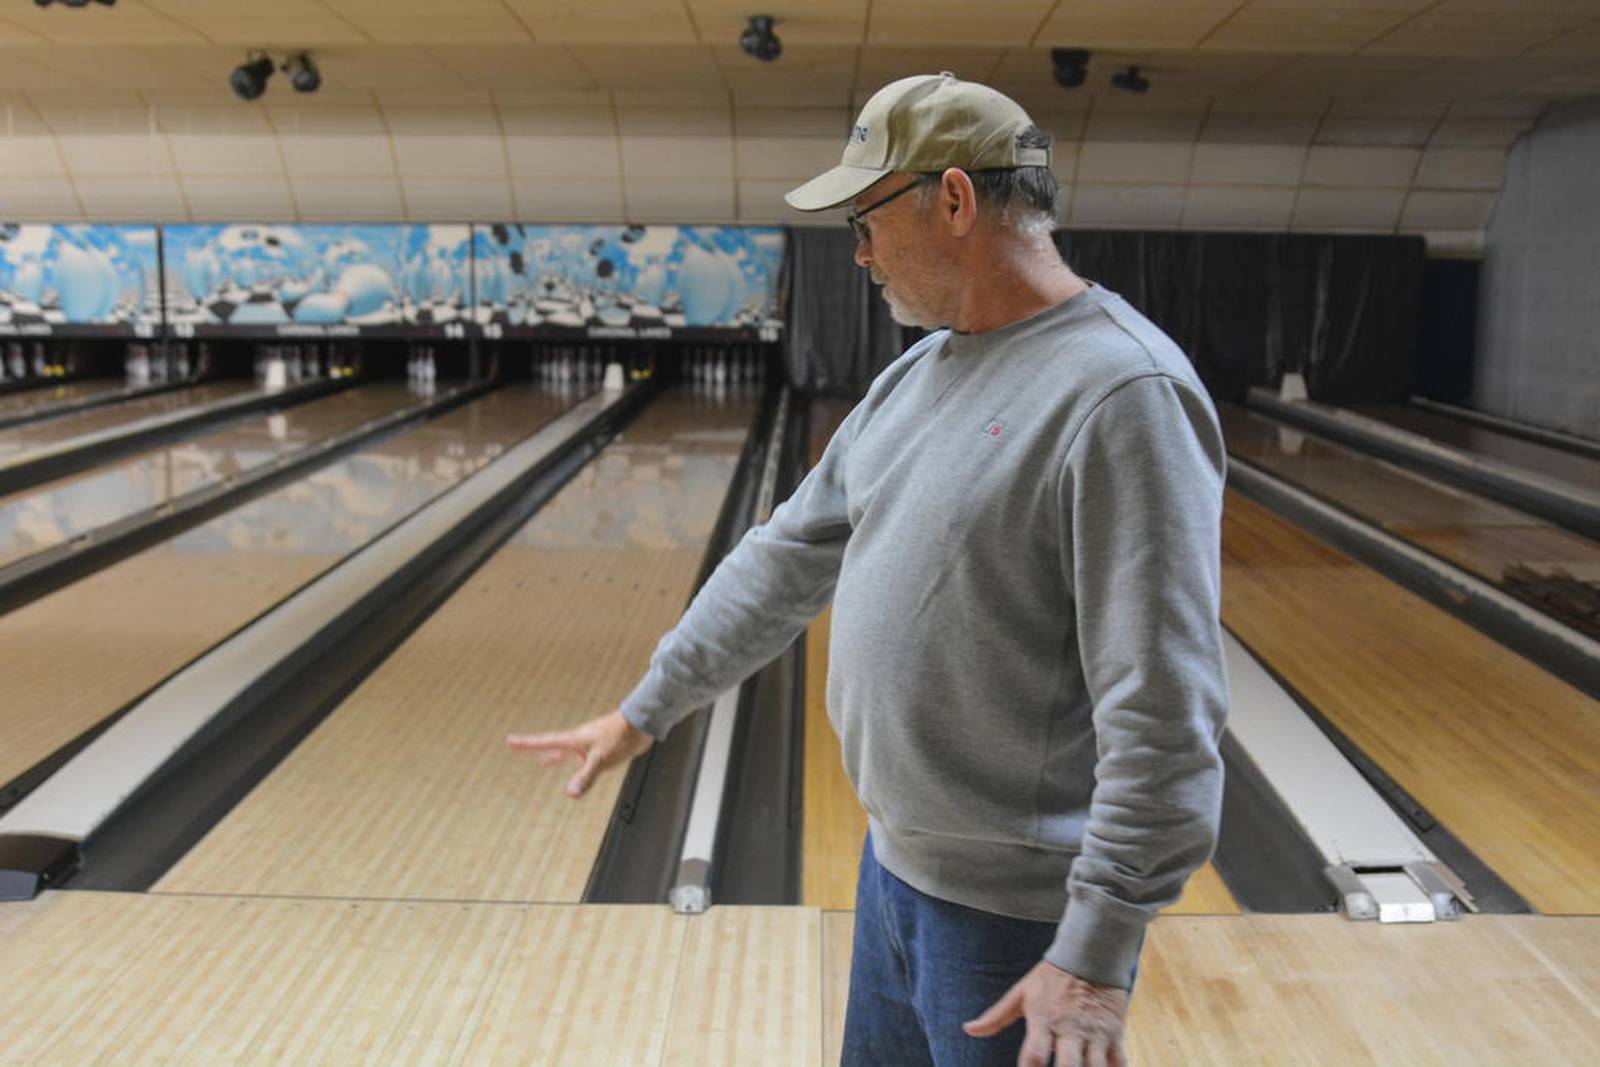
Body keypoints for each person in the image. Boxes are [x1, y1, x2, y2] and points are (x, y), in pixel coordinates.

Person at [509, 72, 1229, 1067]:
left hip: (1019, 923)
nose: (856, 252)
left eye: (866, 219)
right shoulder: (919, 371)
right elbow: (785, 558)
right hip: (897, 874)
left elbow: (1163, 701)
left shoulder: (1121, 395)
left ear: (953, 200)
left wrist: (1098, 949)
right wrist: (647, 706)